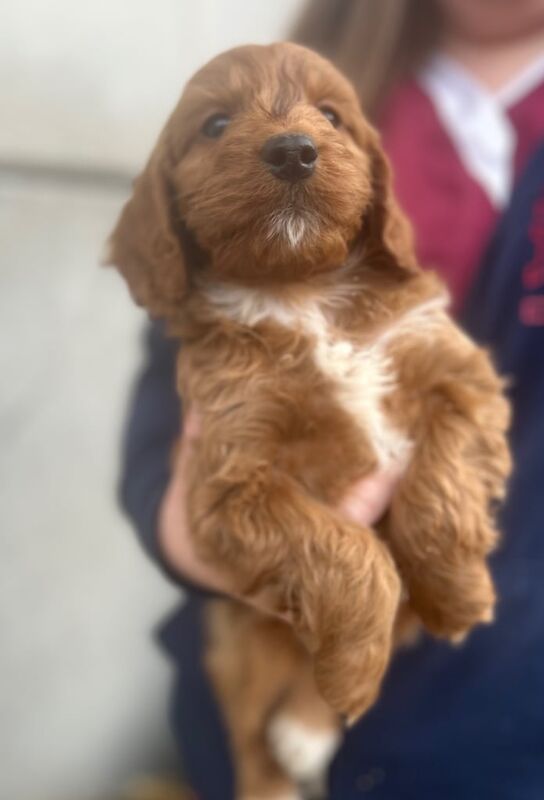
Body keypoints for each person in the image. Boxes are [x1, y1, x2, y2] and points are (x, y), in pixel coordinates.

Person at [119, 1, 544, 797]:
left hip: (501, 733)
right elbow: (160, 409)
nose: (292, 135)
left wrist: (435, 541)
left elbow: (466, 396)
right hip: (242, 699)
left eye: (327, 118)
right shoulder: (325, 52)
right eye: (217, 127)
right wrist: (189, 528)